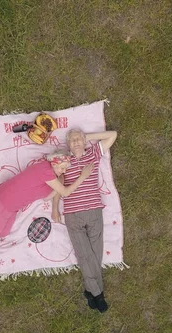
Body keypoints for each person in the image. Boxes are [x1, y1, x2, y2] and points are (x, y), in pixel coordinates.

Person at [0, 152, 94, 272]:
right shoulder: (46, 170)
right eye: (63, 168)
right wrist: (83, 176)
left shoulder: (48, 179)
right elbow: (65, 192)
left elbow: (50, 196)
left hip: (13, 206)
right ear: (55, 163)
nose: (63, 171)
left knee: (3, 232)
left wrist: (60, 184)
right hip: (5, 199)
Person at [51, 128, 117, 313]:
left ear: (84, 141)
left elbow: (113, 135)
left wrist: (89, 137)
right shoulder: (64, 161)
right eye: (72, 140)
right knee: (85, 254)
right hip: (73, 214)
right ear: (68, 146)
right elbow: (58, 185)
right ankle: (97, 294)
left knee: (96, 253)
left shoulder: (93, 154)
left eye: (79, 138)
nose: (76, 142)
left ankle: (91, 291)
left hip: (95, 210)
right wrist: (55, 208)